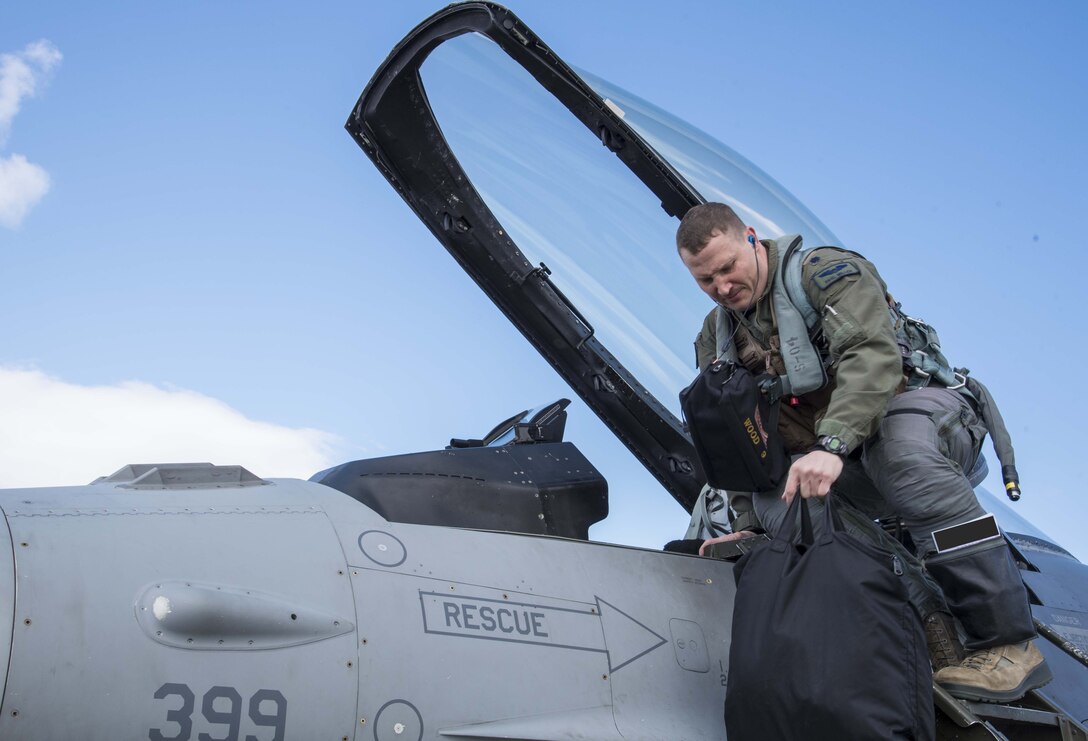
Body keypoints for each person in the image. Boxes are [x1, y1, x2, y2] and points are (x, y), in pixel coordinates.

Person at [678, 202, 1050, 703]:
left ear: (750, 237)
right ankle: (929, 618)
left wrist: (832, 444)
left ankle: (1009, 641)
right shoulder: (717, 337)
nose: (722, 287)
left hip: (924, 417)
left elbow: (872, 357)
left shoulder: (823, 274)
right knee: (779, 502)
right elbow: (736, 437)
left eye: (728, 268)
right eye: (706, 279)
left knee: (900, 454)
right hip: (846, 460)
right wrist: (749, 519)